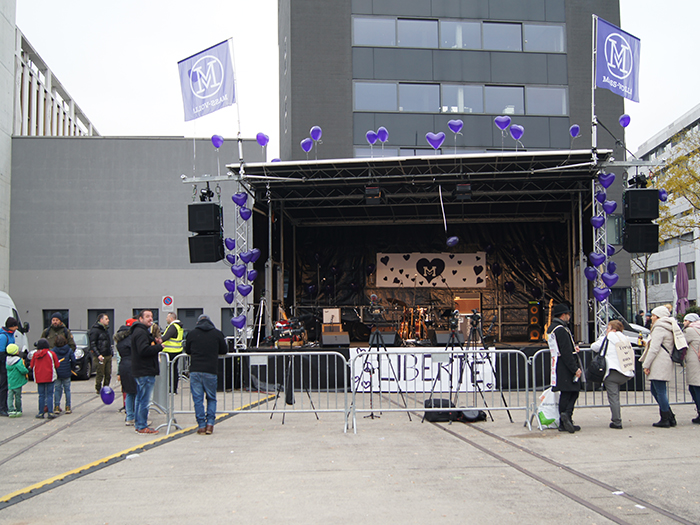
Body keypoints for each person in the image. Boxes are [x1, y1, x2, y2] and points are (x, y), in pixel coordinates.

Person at [640, 305, 687, 428]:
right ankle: (669, 415)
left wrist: (646, 364)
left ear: (658, 317)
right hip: (664, 361)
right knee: (657, 390)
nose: (651, 318)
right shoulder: (669, 326)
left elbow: (654, 348)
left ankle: (666, 417)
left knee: (659, 391)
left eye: (653, 316)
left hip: (659, 362)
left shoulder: (659, 328)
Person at [184, 314, 227, 435]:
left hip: (195, 370)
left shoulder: (192, 334)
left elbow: (187, 350)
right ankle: (210, 425)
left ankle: (201, 425)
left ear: (198, 322)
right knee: (211, 398)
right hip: (210, 370)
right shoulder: (217, 333)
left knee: (198, 400)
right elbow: (224, 350)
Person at [590, 320, 636, 429]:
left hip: (612, 372)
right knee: (616, 396)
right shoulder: (625, 338)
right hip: (626, 372)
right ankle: (616, 419)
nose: (606, 330)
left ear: (613, 329)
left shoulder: (607, 338)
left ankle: (617, 421)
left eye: (608, 328)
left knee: (614, 397)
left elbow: (594, 347)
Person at [547, 303, 582, 433]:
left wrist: (573, 348)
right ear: (563, 315)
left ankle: (565, 418)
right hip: (565, 365)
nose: (569, 316)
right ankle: (566, 416)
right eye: (568, 314)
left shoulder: (552, 328)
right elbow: (566, 351)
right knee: (570, 391)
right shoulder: (561, 329)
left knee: (567, 392)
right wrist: (575, 368)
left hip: (558, 363)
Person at [131, 310, 162, 435]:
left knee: (140, 398)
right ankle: (142, 425)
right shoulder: (140, 333)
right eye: (147, 317)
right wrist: (159, 347)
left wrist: (154, 341)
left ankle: (139, 424)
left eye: (151, 317)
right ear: (140, 319)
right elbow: (143, 350)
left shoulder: (141, 332)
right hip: (145, 370)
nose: (150, 319)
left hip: (141, 370)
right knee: (144, 400)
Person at [115, 318, 137, 426]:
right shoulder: (131, 340)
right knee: (137, 392)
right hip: (133, 365)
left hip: (123, 366)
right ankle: (137, 416)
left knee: (128, 392)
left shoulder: (119, 342)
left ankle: (129, 416)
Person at [30, 338, 59, 419]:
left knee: (41, 395)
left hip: (39, 377)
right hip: (50, 377)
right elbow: (57, 365)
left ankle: (41, 412)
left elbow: (32, 365)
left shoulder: (35, 355)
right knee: (50, 395)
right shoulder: (51, 353)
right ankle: (50, 412)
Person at [682, 312, 700, 424]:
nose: (684, 323)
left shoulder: (689, 331)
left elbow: (681, 342)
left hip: (694, 363)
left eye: (685, 320)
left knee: (695, 388)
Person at [0, 316, 19, 416]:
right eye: (15, 326)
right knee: (3, 386)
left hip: (8, 363)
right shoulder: (4, 336)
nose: (17, 328)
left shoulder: (11, 335)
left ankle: (5, 406)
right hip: (3, 364)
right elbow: (1, 353)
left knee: (6, 386)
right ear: (11, 326)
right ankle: (2, 407)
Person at [161, 312, 185, 394]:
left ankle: (171, 388)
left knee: (171, 371)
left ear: (171, 318)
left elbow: (166, 337)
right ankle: (173, 388)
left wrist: (158, 340)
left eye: (167, 317)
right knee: (174, 370)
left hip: (170, 351)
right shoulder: (179, 326)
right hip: (176, 351)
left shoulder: (173, 327)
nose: (166, 319)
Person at [89, 313, 113, 395]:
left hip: (108, 355)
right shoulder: (95, 330)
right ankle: (98, 389)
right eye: (106, 319)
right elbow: (92, 344)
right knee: (100, 373)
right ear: (101, 320)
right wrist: (98, 354)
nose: (108, 320)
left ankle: (106, 388)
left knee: (108, 373)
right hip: (100, 356)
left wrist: (111, 352)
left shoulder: (106, 330)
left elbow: (108, 342)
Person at [52, 334, 75, 415]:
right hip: (66, 372)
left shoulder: (54, 350)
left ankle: (57, 406)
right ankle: (68, 406)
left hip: (57, 372)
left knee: (57, 389)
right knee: (67, 390)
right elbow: (73, 360)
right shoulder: (68, 349)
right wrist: (71, 368)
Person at [6, 343, 28, 417]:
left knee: (10, 396)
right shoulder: (18, 361)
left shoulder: (7, 360)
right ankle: (18, 409)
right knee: (18, 396)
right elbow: (22, 370)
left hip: (10, 381)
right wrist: (27, 371)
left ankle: (10, 410)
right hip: (17, 382)